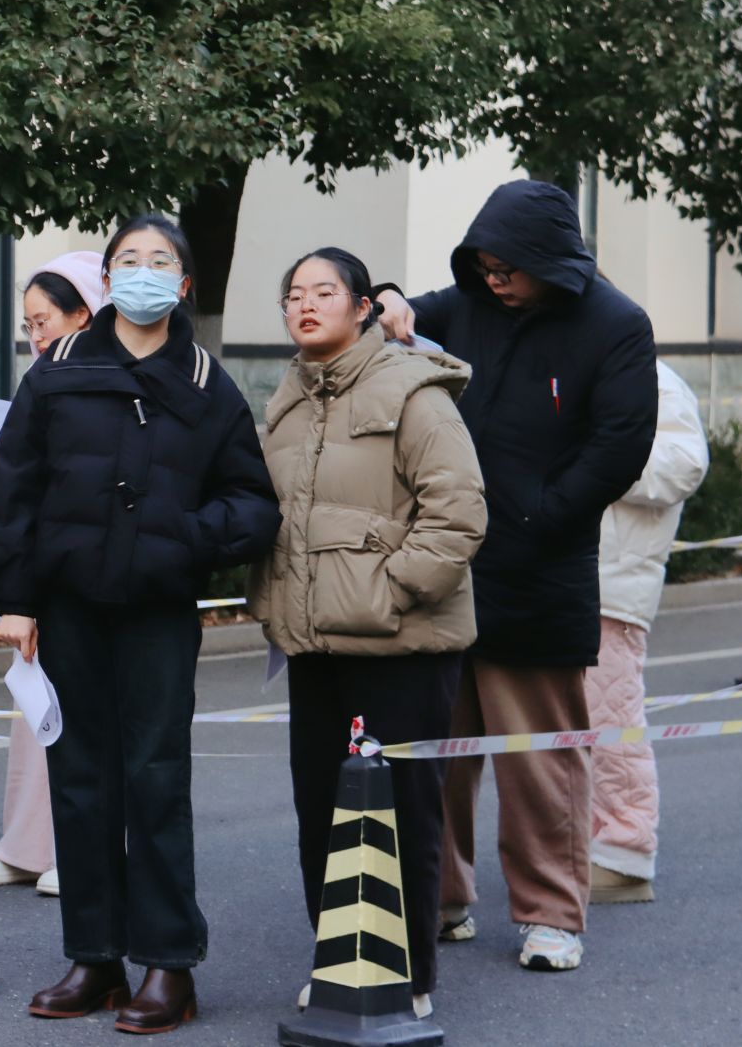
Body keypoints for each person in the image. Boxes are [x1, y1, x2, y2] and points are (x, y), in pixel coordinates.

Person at [0, 213, 281, 1031]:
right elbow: (15, 488)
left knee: (155, 780)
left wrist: (185, 537)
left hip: (156, 612)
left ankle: (169, 964)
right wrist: (15, 598)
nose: (144, 271)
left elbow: (253, 505)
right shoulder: (58, 367)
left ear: (184, 283)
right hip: (69, 605)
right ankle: (95, 956)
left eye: (161, 260)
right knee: (79, 782)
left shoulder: (208, 383)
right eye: (129, 259)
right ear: (107, 280)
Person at [375, 178, 657, 973]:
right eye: (484, 265)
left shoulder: (616, 324)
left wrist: (541, 516)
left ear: (550, 260)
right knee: (438, 751)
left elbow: (619, 445)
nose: (494, 280)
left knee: (540, 761)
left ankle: (550, 914)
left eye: (509, 269)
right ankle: (440, 897)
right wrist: (387, 298)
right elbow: (399, 310)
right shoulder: (467, 302)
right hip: (446, 566)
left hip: (539, 570)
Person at [251, 247, 487, 1025]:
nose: (305, 303)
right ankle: (338, 961)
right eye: (294, 293)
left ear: (363, 308)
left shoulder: (414, 389)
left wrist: (389, 591)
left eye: (324, 291)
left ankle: (408, 969)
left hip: (401, 645)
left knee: (404, 811)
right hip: (314, 644)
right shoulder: (287, 398)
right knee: (321, 809)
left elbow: (458, 512)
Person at [0, 251, 106, 899]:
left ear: (86, 313)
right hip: (46, 573)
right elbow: (24, 484)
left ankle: (85, 849)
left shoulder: (115, 379)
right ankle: (26, 846)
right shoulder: (39, 381)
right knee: (35, 714)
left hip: (98, 574)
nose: (35, 335)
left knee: (87, 716)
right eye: (28, 324)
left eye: (43, 320)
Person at [587, 359, 707, 904]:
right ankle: (588, 845)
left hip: (613, 584)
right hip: (562, 578)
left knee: (610, 718)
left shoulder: (650, 376)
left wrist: (597, 456)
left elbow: (684, 464)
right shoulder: (573, 362)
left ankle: (624, 853)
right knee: (561, 729)